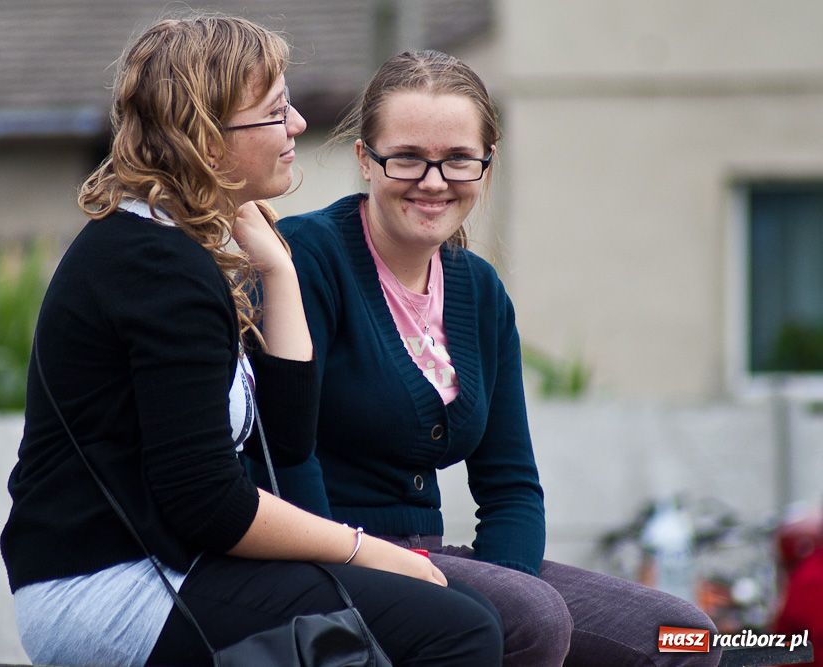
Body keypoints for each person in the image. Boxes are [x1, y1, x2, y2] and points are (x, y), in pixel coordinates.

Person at [0, 17, 504, 667]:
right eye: (275, 112)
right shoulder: (154, 269)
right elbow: (210, 503)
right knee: (458, 632)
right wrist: (367, 548)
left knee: (466, 618)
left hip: (168, 570)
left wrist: (278, 268)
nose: (297, 124)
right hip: (114, 590)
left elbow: (286, 440)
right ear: (208, 141)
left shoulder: (175, 251)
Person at [248, 49, 722, 666]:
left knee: (681, 636)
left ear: (486, 164)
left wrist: (502, 584)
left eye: (458, 160)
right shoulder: (308, 261)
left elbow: (512, 486)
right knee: (531, 616)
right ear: (365, 159)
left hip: (438, 563)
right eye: (408, 157)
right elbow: (286, 452)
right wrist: (494, 602)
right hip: (338, 557)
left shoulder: (480, 291)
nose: (434, 181)